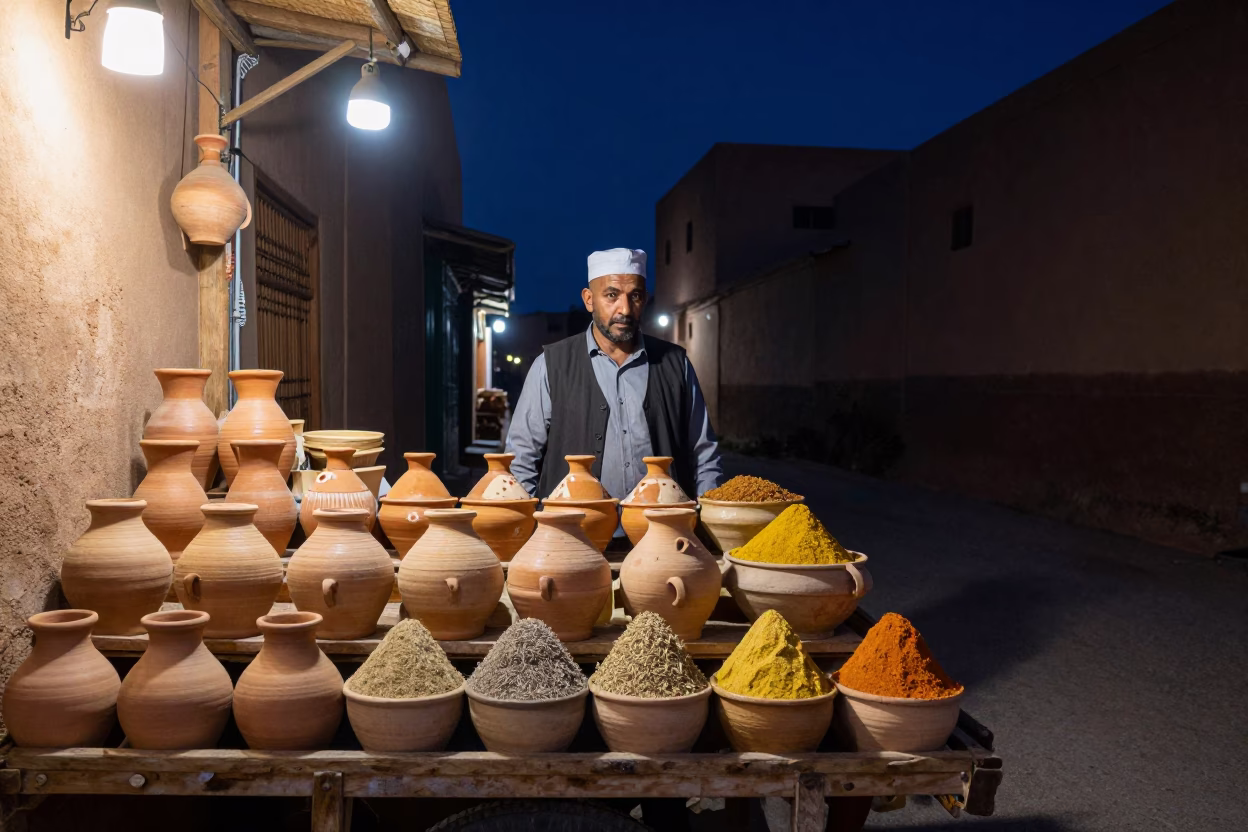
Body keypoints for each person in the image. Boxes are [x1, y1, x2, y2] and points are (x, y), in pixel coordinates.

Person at [506, 248, 724, 502]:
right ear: (589, 299)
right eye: (612, 295)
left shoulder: (676, 365)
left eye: (636, 296)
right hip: (573, 534)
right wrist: (532, 526)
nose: (626, 309)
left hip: (664, 532)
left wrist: (704, 519)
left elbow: (704, 455)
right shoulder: (550, 366)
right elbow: (521, 459)